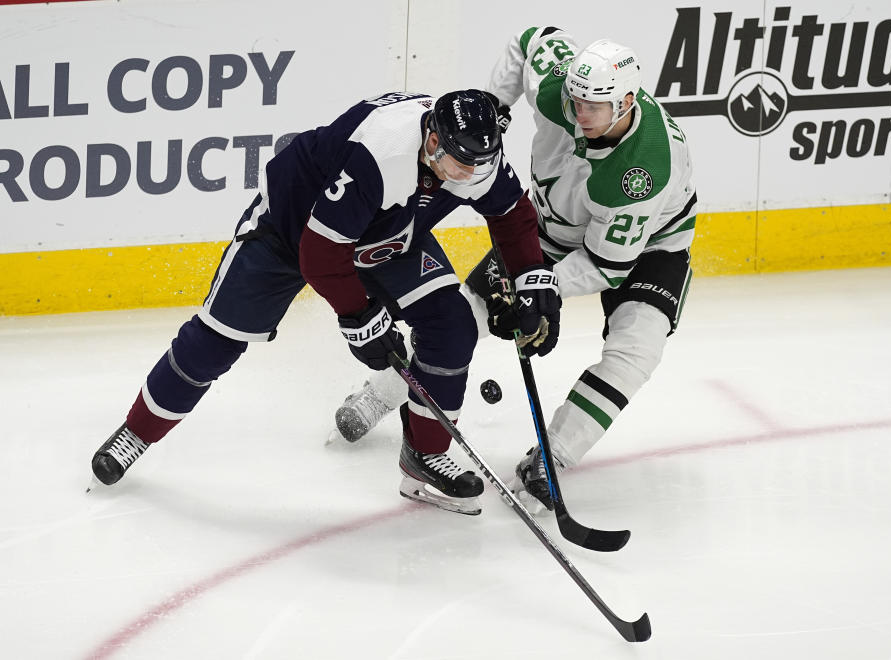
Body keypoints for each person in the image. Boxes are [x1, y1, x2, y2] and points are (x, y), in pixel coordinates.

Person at [89, 89, 560, 516]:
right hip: (289, 232)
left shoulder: (474, 153)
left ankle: (425, 455)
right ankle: (137, 432)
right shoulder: (382, 153)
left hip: (388, 235)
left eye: (480, 164)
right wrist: (360, 318)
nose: (471, 174)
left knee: (452, 326)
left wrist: (531, 280)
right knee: (216, 341)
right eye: (460, 164)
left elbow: (513, 215)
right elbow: (320, 255)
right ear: (433, 140)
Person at [336, 28, 697, 513]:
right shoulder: (560, 90)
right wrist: (497, 105)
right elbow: (533, 39)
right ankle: (380, 395)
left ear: (627, 102)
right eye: (576, 100)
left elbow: (607, 266)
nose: (580, 113)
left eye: (595, 106)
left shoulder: (643, 171)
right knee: (466, 317)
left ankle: (552, 457)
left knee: (637, 351)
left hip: (649, 247)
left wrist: (541, 292)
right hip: (549, 230)